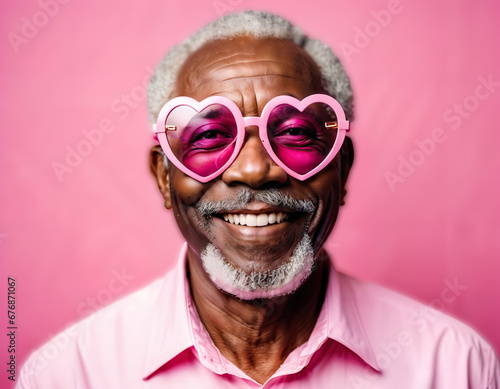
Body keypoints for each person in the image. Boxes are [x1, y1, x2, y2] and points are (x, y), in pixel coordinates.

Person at [17, 11, 499, 388]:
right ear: (165, 178)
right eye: (208, 137)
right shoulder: (66, 376)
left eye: (294, 132)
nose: (254, 169)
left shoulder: (457, 368)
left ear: (341, 169)